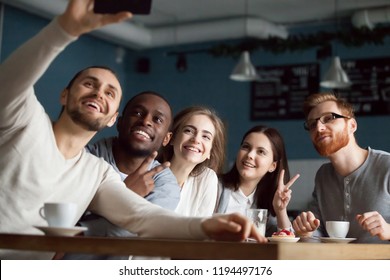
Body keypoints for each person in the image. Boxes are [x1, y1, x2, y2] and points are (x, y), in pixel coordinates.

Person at [0, 0, 266, 259]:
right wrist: (63, 30)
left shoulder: (97, 172)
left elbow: (141, 216)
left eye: (110, 92)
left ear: (112, 118)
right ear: (64, 95)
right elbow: (10, 82)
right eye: (89, 84)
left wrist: (204, 227)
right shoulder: (25, 119)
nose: (98, 93)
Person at [63, 91, 181, 260]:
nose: (146, 121)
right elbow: (62, 215)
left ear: (167, 138)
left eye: (157, 119)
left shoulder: (165, 184)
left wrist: (78, 234)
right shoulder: (85, 158)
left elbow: (139, 229)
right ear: (119, 123)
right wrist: (127, 195)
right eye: (137, 113)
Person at [292, 92, 390, 243]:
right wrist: (306, 232)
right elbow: (317, 234)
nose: (318, 127)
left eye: (328, 118)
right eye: (312, 124)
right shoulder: (323, 176)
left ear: (352, 125)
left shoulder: (387, 166)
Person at [215, 125, 300, 236]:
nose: (250, 155)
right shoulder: (214, 185)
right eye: (246, 147)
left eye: (261, 152)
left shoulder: (267, 202)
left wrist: (280, 210)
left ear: (273, 166)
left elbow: (286, 242)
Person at [160, 106, 226, 217]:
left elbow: (201, 229)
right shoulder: (150, 173)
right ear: (172, 138)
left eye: (205, 136)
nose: (196, 140)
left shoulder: (207, 178)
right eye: (188, 131)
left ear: (210, 152)